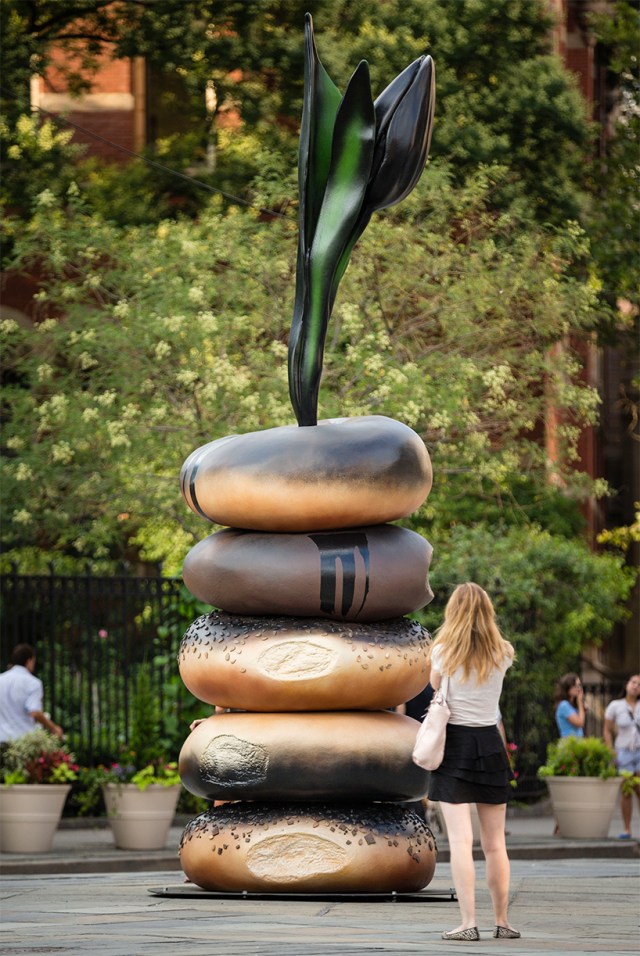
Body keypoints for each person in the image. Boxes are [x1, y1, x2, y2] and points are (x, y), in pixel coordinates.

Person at [427, 582, 519, 941]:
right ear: (488, 612)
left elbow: (435, 686)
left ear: (454, 612)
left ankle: (468, 923)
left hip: (455, 745)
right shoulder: (504, 652)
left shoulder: (443, 652)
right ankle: (503, 921)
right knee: (495, 844)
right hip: (490, 745)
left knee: (461, 842)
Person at [0, 643, 63, 742]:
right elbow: (35, 712)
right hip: (22, 741)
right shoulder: (33, 683)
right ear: (29, 661)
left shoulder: (1, 679)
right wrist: (53, 728)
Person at [604, 674, 640, 840]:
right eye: (633, 682)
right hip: (623, 752)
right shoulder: (615, 706)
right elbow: (607, 729)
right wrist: (610, 749)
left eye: (639, 685)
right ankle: (627, 828)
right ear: (627, 684)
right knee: (626, 791)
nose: (635, 686)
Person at [554, 672, 586, 738]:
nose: (579, 688)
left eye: (579, 685)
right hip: (569, 744)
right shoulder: (564, 705)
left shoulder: (572, 705)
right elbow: (580, 723)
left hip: (577, 744)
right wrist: (580, 703)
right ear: (567, 688)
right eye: (575, 686)